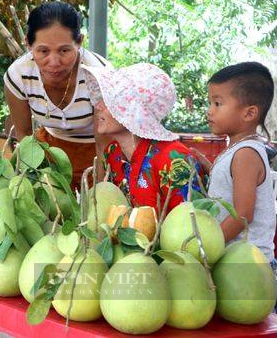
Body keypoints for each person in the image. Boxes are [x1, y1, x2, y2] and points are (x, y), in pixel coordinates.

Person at [4, 2, 111, 188]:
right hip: (49, 150)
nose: (54, 62)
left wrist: (100, 192)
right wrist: (35, 183)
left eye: (64, 50)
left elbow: (105, 144)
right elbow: (23, 135)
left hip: (97, 151)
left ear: (79, 42)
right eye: (43, 51)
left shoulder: (98, 75)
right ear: (29, 44)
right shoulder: (18, 75)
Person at [83, 63, 205, 212]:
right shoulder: (113, 153)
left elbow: (191, 224)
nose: (98, 106)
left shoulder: (175, 159)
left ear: (132, 110)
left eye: (109, 100)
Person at [192, 62, 275, 261]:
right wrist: (207, 164)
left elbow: (243, 214)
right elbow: (231, 185)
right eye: (210, 103)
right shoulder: (240, 149)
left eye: (217, 104)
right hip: (234, 258)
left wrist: (207, 248)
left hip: (246, 265)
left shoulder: (246, 154)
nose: (209, 111)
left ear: (249, 113)